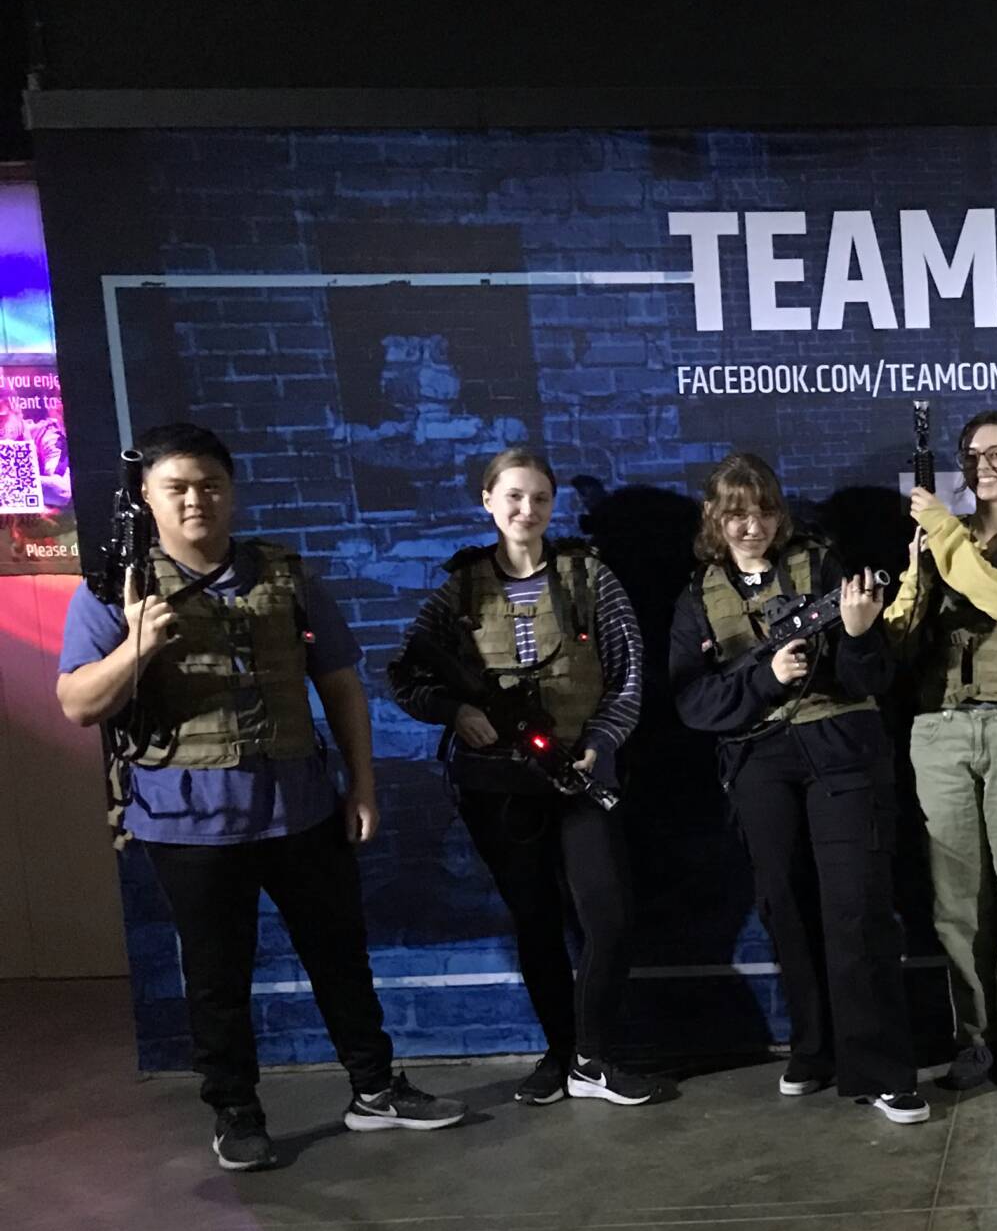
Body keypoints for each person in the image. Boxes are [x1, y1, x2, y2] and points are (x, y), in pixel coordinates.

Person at [56, 422, 463, 1170]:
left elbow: (339, 682)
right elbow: (79, 704)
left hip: (300, 809)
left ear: (232, 491)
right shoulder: (116, 589)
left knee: (340, 958)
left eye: (210, 485)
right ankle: (236, 1111)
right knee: (218, 979)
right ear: (146, 497)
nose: (195, 500)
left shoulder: (285, 576)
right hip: (188, 823)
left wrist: (361, 784)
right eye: (176, 488)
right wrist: (137, 646)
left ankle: (374, 1089)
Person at [388, 446, 662, 1108]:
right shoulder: (461, 588)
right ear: (488, 501)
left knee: (608, 915)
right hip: (498, 787)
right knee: (535, 922)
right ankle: (560, 1054)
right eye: (513, 496)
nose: (527, 509)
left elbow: (628, 676)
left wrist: (598, 743)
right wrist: (457, 712)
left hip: (577, 775)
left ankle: (592, 1057)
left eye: (539, 497)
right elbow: (405, 674)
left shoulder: (589, 577)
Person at [668, 452, 925, 1123]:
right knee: (784, 905)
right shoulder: (698, 596)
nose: (752, 526)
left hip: (841, 748)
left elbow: (869, 678)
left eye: (763, 512)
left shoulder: (822, 569)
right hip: (758, 760)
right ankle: (815, 1047)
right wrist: (766, 677)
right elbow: (692, 702)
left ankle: (882, 1069)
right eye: (736, 514)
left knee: (857, 908)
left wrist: (860, 634)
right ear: (713, 518)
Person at [883, 410, 997, 1094]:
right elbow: (900, 636)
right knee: (954, 901)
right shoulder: (940, 538)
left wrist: (942, 533)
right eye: (971, 456)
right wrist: (914, 573)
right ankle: (972, 1038)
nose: (983, 466)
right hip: (940, 728)